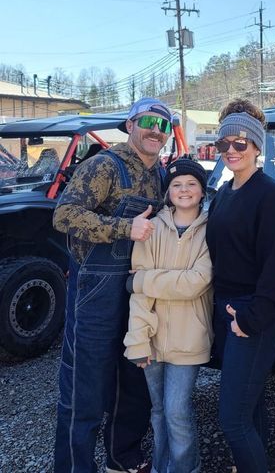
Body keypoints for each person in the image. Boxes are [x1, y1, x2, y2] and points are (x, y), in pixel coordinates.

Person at [53, 97, 173, 473]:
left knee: (132, 378)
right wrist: (124, 227)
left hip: (137, 288)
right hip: (96, 288)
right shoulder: (105, 165)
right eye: (150, 121)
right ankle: (74, 467)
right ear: (131, 124)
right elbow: (64, 215)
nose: (157, 130)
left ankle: (121, 458)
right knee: (84, 386)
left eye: (165, 125)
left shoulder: (160, 175)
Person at [206, 99, 275, 473]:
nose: (231, 151)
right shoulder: (224, 193)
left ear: (257, 147)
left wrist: (251, 318)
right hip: (226, 310)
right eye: (223, 144)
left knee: (232, 419)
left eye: (240, 143)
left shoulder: (270, 196)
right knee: (250, 407)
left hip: (252, 316)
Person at [124, 158, 213, 473]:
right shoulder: (152, 227)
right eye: (176, 184)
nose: (184, 190)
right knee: (159, 411)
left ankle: (187, 468)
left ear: (202, 191)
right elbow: (140, 296)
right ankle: (164, 466)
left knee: (176, 410)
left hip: (190, 338)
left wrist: (143, 279)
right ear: (168, 191)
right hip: (151, 337)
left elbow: (196, 282)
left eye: (191, 184)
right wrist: (136, 340)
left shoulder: (210, 229)